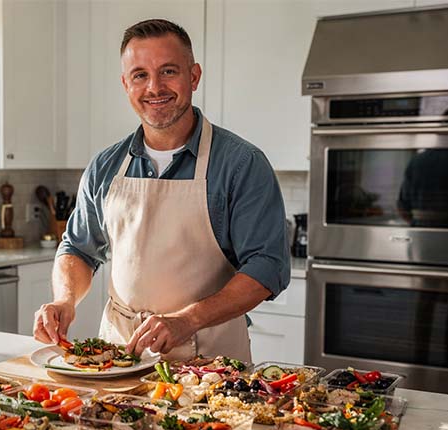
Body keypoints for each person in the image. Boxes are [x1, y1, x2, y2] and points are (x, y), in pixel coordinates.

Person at [31, 19, 290, 362]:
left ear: (194, 76)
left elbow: (267, 266)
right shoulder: (105, 166)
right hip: (118, 357)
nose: (154, 87)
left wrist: (188, 319)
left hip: (211, 363)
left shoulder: (242, 164)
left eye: (168, 71)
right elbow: (78, 249)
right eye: (140, 75)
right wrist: (64, 299)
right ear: (126, 84)